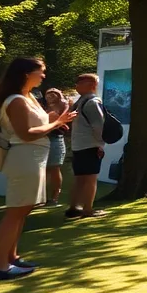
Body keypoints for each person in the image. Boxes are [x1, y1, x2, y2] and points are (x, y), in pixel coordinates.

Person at [0, 58, 78, 280]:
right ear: (27, 73)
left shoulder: (28, 98)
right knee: (15, 212)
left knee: (22, 212)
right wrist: (56, 123)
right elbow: (27, 133)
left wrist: (55, 118)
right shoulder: (17, 100)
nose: (43, 76)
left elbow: (37, 125)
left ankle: (12, 258)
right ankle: (0, 266)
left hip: (33, 158)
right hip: (24, 159)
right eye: (41, 72)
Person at [67, 74, 107, 219]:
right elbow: (99, 126)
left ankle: (73, 208)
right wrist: (100, 143)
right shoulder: (92, 102)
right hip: (90, 145)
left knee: (79, 178)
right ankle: (88, 209)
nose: (76, 85)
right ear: (92, 84)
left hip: (78, 145)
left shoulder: (78, 102)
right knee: (90, 179)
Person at [41, 88, 69, 207]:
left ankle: (54, 197)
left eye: (54, 94)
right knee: (44, 170)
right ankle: (42, 197)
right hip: (42, 139)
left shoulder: (64, 105)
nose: (50, 96)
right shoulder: (43, 107)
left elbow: (60, 121)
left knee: (54, 168)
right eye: (48, 94)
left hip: (55, 139)